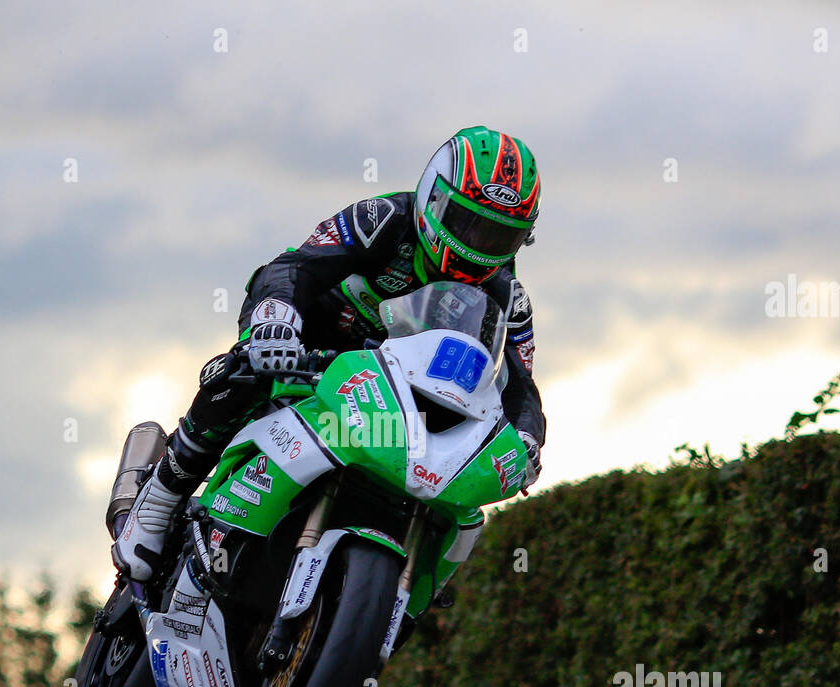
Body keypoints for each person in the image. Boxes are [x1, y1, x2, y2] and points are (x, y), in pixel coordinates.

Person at [113, 125, 547, 581]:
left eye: (499, 237)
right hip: (310, 349)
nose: (478, 246)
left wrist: (527, 439)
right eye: (469, 225)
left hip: (401, 395)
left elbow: (521, 387)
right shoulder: (381, 219)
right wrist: (276, 322)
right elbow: (293, 269)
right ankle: (163, 492)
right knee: (242, 371)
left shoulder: (508, 297)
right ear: (434, 200)